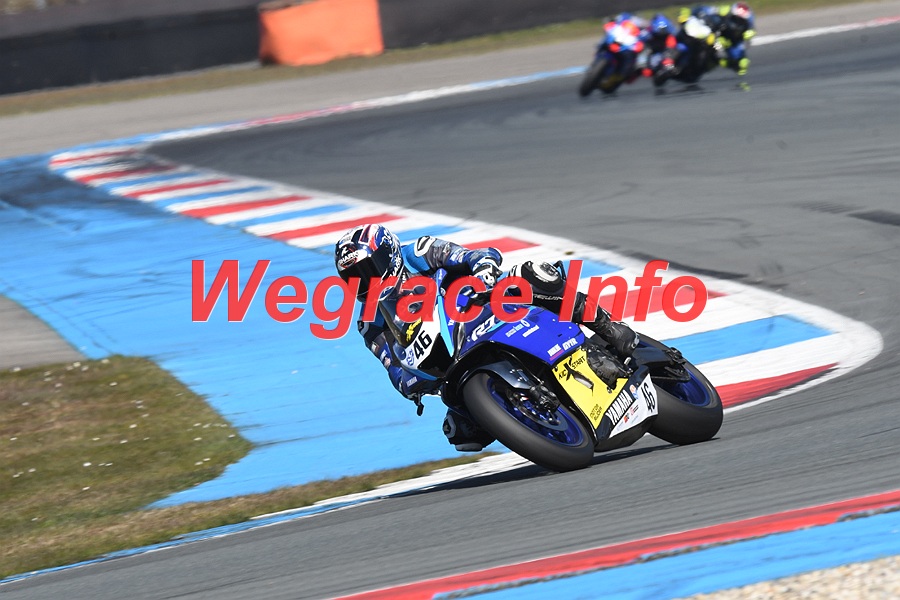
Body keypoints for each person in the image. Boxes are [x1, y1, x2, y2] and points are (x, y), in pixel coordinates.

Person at [334, 224, 639, 452]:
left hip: (484, 306)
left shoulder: (420, 252)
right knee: (461, 434)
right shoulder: (368, 323)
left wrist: (484, 272)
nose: (365, 281)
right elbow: (393, 367)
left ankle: (607, 326)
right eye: (354, 278)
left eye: (369, 269)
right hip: (452, 353)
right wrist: (411, 383)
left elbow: (475, 256)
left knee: (534, 274)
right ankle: (533, 418)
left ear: (389, 254)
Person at [683, 3, 756, 76]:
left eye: (740, 21)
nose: (736, 23)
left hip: (730, 41)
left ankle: (713, 62)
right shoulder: (725, 11)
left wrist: (749, 33)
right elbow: (706, 10)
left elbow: (745, 43)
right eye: (735, 19)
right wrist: (692, 13)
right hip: (714, 32)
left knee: (741, 64)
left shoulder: (747, 26)